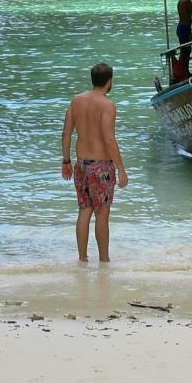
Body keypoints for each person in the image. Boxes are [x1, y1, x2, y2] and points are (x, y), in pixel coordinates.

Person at [61, 62, 127, 263]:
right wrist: (121, 170)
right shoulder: (107, 105)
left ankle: (82, 258)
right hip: (101, 167)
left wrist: (66, 161)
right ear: (109, 81)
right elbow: (108, 139)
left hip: (81, 164)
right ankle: (104, 260)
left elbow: (66, 133)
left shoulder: (76, 101)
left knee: (84, 210)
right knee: (102, 214)